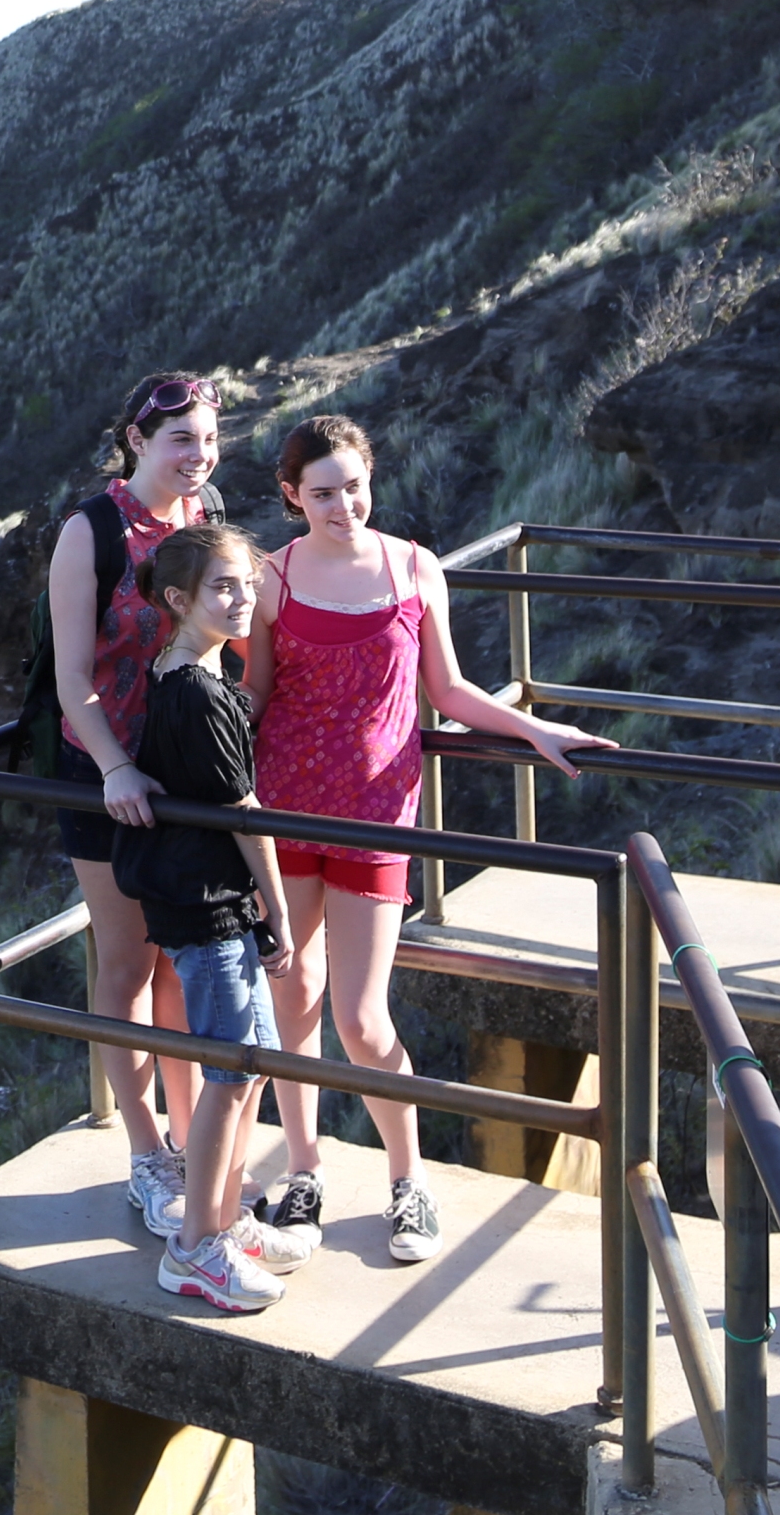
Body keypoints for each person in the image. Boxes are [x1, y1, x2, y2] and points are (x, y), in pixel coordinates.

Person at [243, 414, 592, 1264]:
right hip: (283, 815)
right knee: (292, 1000)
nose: (343, 505)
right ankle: (305, 1172)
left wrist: (535, 731)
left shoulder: (413, 566)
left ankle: (410, 1181)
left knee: (363, 1020)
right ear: (292, 496)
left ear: (371, 481)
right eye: (322, 492)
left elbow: (448, 687)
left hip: (375, 817)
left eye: (354, 486)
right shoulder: (273, 579)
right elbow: (252, 696)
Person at [111, 521, 322, 1312]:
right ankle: (197, 1247)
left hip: (206, 898)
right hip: (210, 905)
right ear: (179, 599)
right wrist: (278, 907)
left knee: (249, 1063)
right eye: (224, 587)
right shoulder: (199, 692)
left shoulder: (182, 674)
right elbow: (243, 810)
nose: (244, 598)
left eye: (249, 583)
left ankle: (223, 1217)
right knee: (231, 1071)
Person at [48, 370, 220, 1240]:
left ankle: (197, 1138)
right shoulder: (92, 530)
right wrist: (116, 767)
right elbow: (70, 675)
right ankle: (149, 1150)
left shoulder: (204, 514)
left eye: (208, 437)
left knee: (179, 963)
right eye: (180, 438)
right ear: (137, 441)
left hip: (185, 775)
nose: (198, 454)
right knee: (126, 959)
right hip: (103, 775)